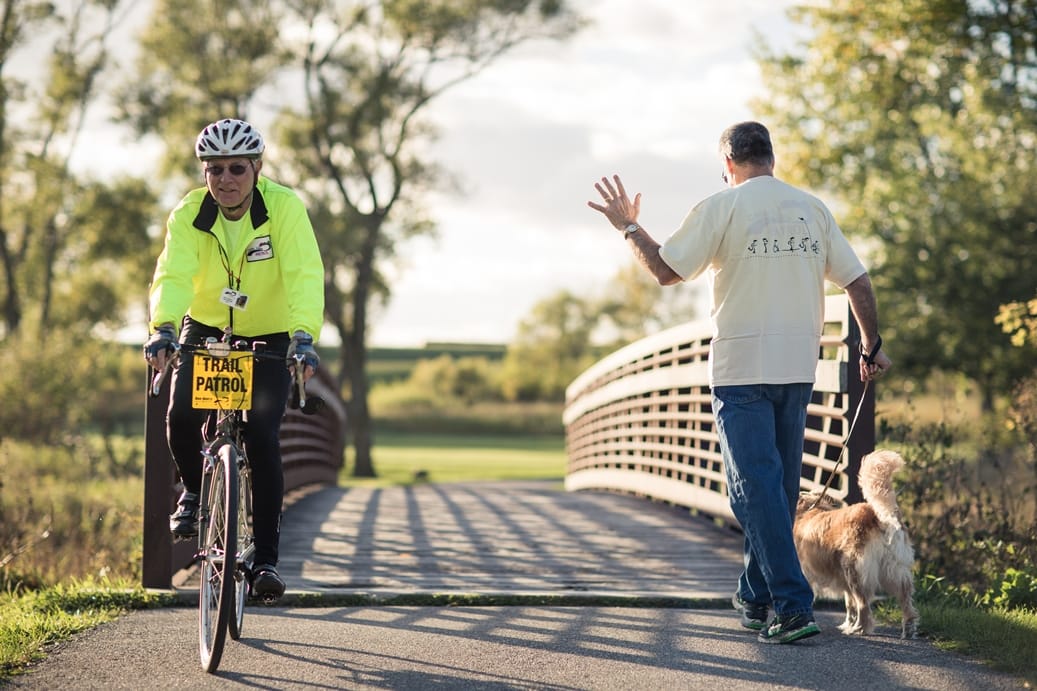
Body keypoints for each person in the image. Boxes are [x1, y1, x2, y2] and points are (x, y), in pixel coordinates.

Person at [587, 121, 891, 644]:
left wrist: (628, 228)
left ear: (728, 164)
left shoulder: (720, 207)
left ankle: (793, 606)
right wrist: (869, 347)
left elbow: (666, 271)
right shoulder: (812, 209)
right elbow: (857, 281)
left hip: (740, 371)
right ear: (771, 157)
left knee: (752, 492)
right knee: (773, 491)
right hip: (798, 370)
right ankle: (754, 595)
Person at [143, 117, 325, 601]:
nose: (225, 179)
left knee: (263, 435)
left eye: (237, 169)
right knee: (181, 414)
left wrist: (304, 336)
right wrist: (162, 327)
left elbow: (305, 273)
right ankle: (195, 494)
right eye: (215, 169)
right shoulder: (188, 213)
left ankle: (264, 559)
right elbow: (173, 273)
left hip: (270, 332)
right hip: (205, 325)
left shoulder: (283, 208)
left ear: (257, 168)